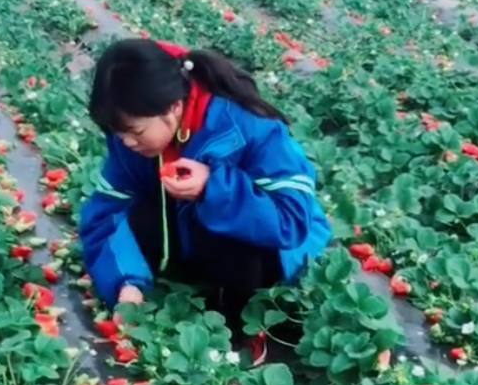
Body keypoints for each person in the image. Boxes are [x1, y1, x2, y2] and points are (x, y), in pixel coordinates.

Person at [78, 37, 332, 365]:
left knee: (237, 237)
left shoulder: (245, 124)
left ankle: (242, 329)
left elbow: (291, 221)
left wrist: (213, 187)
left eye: (135, 132)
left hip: (270, 243)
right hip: (195, 236)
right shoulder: (129, 143)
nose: (126, 142)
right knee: (134, 210)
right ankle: (160, 278)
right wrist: (125, 286)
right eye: (118, 133)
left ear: (172, 107)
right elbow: (107, 213)